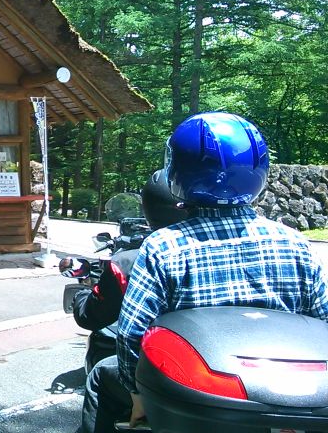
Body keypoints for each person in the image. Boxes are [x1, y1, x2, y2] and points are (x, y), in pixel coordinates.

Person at [105, 112, 328, 431]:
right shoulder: (295, 243)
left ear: (179, 171)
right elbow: (321, 325)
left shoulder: (164, 246)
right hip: (292, 409)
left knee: (100, 375)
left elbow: (131, 334)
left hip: (197, 405)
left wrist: (138, 394)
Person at [75, 169, 189, 433]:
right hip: (230, 372)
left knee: (100, 375)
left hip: (170, 370)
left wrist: (82, 296)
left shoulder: (134, 259)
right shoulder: (265, 242)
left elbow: (117, 327)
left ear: (149, 208)